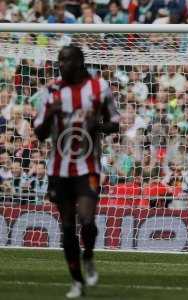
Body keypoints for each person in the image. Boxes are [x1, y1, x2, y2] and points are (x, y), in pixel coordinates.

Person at [33, 45, 120, 298]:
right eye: (59, 60)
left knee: (87, 221)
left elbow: (115, 124)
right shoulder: (51, 91)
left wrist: (99, 126)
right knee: (68, 227)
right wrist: (50, 113)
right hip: (59, 169)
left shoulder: (99, 88)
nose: (61, 65)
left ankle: (89, 256)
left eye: (66, 60)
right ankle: (77, 281)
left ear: (80, 62)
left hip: (88, 166)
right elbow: (39, 133)